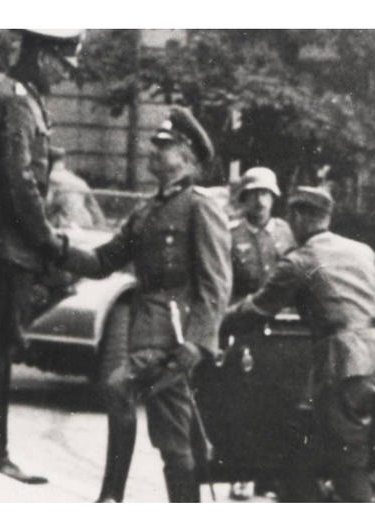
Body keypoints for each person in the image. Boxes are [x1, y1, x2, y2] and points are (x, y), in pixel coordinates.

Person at [51, 106, 232, 502]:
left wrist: (197, 344)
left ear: (185, 156)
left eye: (163, 146)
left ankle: (112, 498)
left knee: (121, 391)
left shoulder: (200, 207)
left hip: (175, 338)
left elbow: (216, 283)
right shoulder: (148, 212)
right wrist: (56, 248)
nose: (153, 151)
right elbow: (102, 261)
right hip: (146, 334)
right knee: (172, 440)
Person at [223, 186, 375, 502]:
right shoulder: (362, 251)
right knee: (301, 466)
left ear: (299, 218)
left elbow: (256, 310)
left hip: (343, 371)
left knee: (348, 470)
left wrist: (214, 321)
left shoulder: (300, 261)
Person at [0, 29, 80, 484]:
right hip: (2, 248)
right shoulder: (16, 102)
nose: (64, 75)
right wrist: (47, 240)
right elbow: (19, 180)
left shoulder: (19, 97)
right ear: (44, 56)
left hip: (1, 245)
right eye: (63, 65)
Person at [227, 166, 294, 501]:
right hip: (244, 325)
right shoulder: (232, 234)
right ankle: (241, 473)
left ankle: (270, 477)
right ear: (244, 198)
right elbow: (224, 284)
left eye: (266, 194)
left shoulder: (284, 234)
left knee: (277, 400)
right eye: (254, 194)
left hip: (280, 327)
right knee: (242, 401)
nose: (261, 201)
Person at [46, 146, 106, 229]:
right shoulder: (78, 181)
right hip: (86, 225)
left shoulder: (49, 180)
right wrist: (101, 227)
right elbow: (94, 208)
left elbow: (46, 206)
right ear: (64, 161)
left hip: (66, 227)